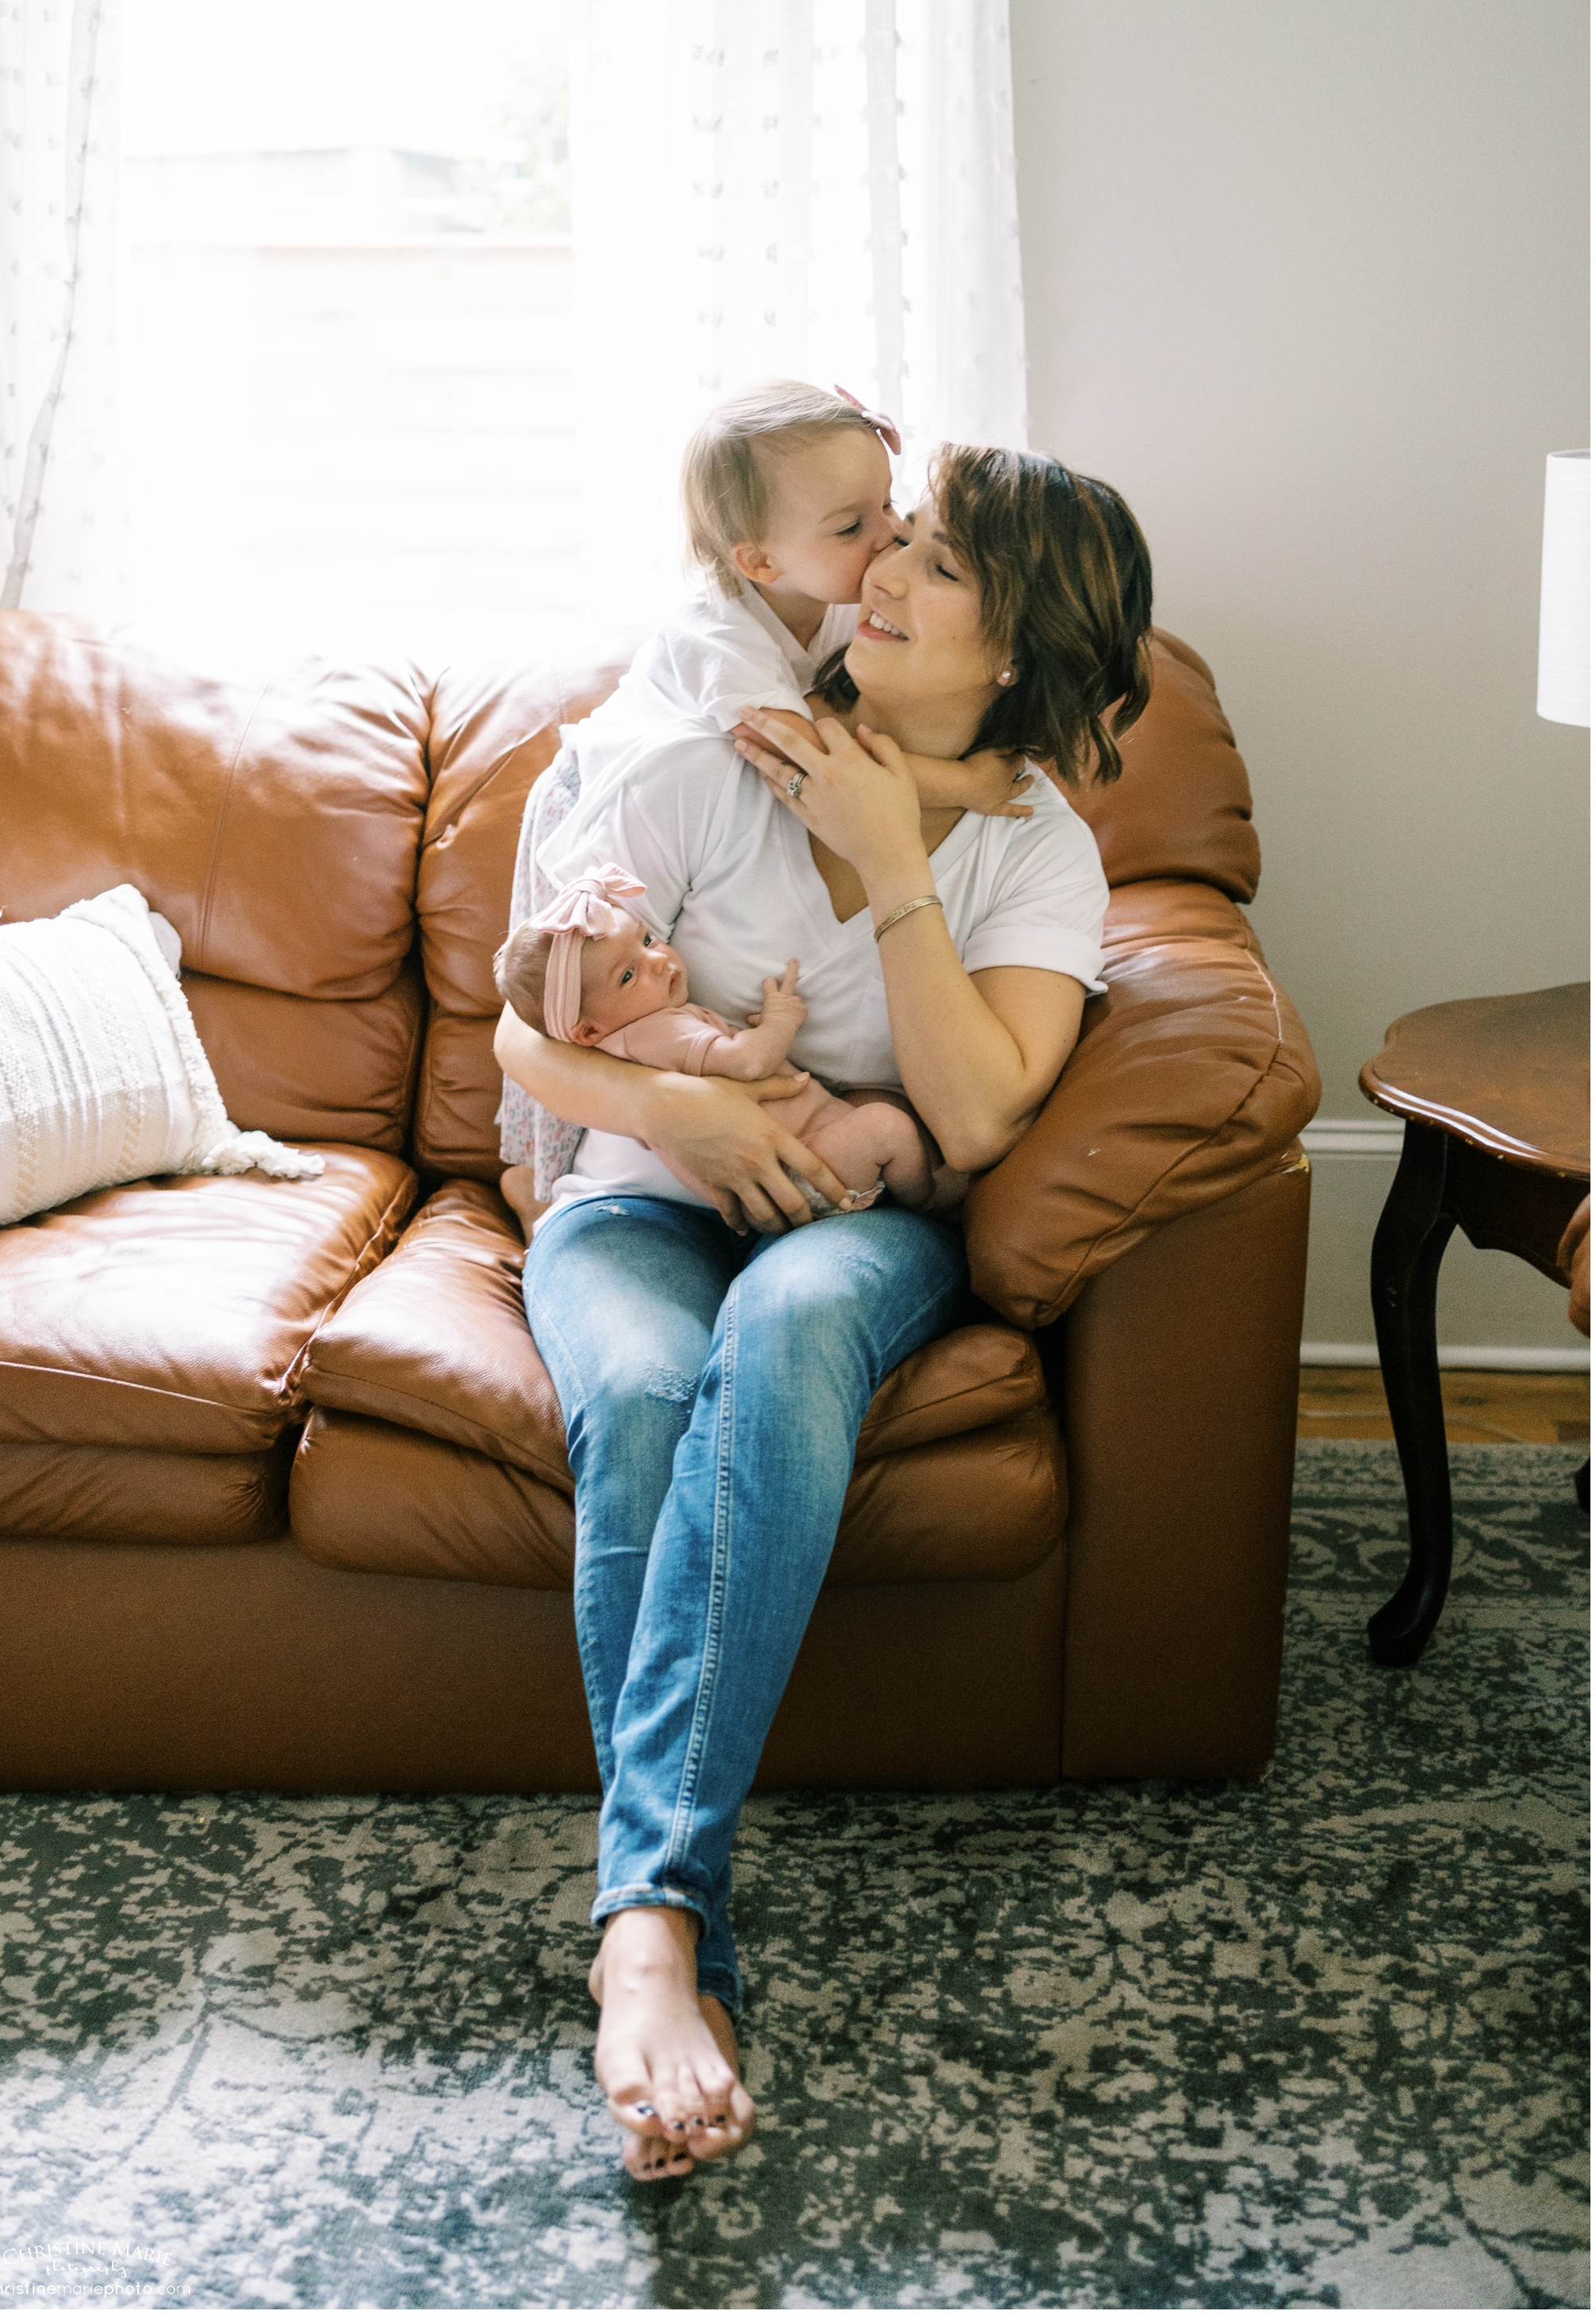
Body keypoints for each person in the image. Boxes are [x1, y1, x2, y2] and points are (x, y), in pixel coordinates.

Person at [494, 442, 1153, 2181]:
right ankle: (662, 1917)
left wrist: (889, 863)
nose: (879, 573)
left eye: (932, 565)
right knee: (640, 1395)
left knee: (781, 1333)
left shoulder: (1042, 857)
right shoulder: (719, 749)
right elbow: (518, 1029)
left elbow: (984, 1113)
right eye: (893, 541)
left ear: (1010, 647)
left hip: (851, 1232)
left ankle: (643, 1927)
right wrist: (683, 1112)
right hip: (638, 1201)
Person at [500, 379, 1030, 1229]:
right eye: (852, 527)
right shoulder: (721, 638)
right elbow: (815, 760)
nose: (890, 537)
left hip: (693, 790)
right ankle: (539, 1181)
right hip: (591, 800)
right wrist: (964, 783)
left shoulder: (827, 606)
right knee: (575, 1002)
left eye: (887, 506)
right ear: (757, 561)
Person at [494, 865, 965, 1214]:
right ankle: (927, 1199)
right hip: (790, 1167)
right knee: (887, 1127)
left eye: (649, 941)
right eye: (628, 974)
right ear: (588, 1032)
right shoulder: (657, 1033)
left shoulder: (637, 1032)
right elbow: (747, 1064)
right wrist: (779, 1021)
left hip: (786, 1159)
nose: (657, 961)